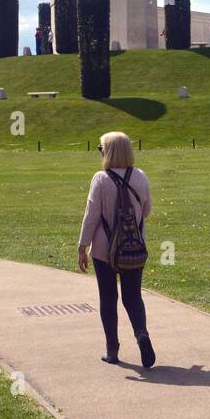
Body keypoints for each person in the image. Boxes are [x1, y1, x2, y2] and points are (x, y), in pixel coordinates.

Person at [78, 131, 155, 367]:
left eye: (100, 149)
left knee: (108, 298)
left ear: (108, 152)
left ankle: (112, 349)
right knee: (133, 296)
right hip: (134, 247)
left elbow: (91, 216)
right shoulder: (140, 176)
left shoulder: (100, 179)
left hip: (104, 249)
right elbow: (147, 210)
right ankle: (141, 333)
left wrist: (82, 246)